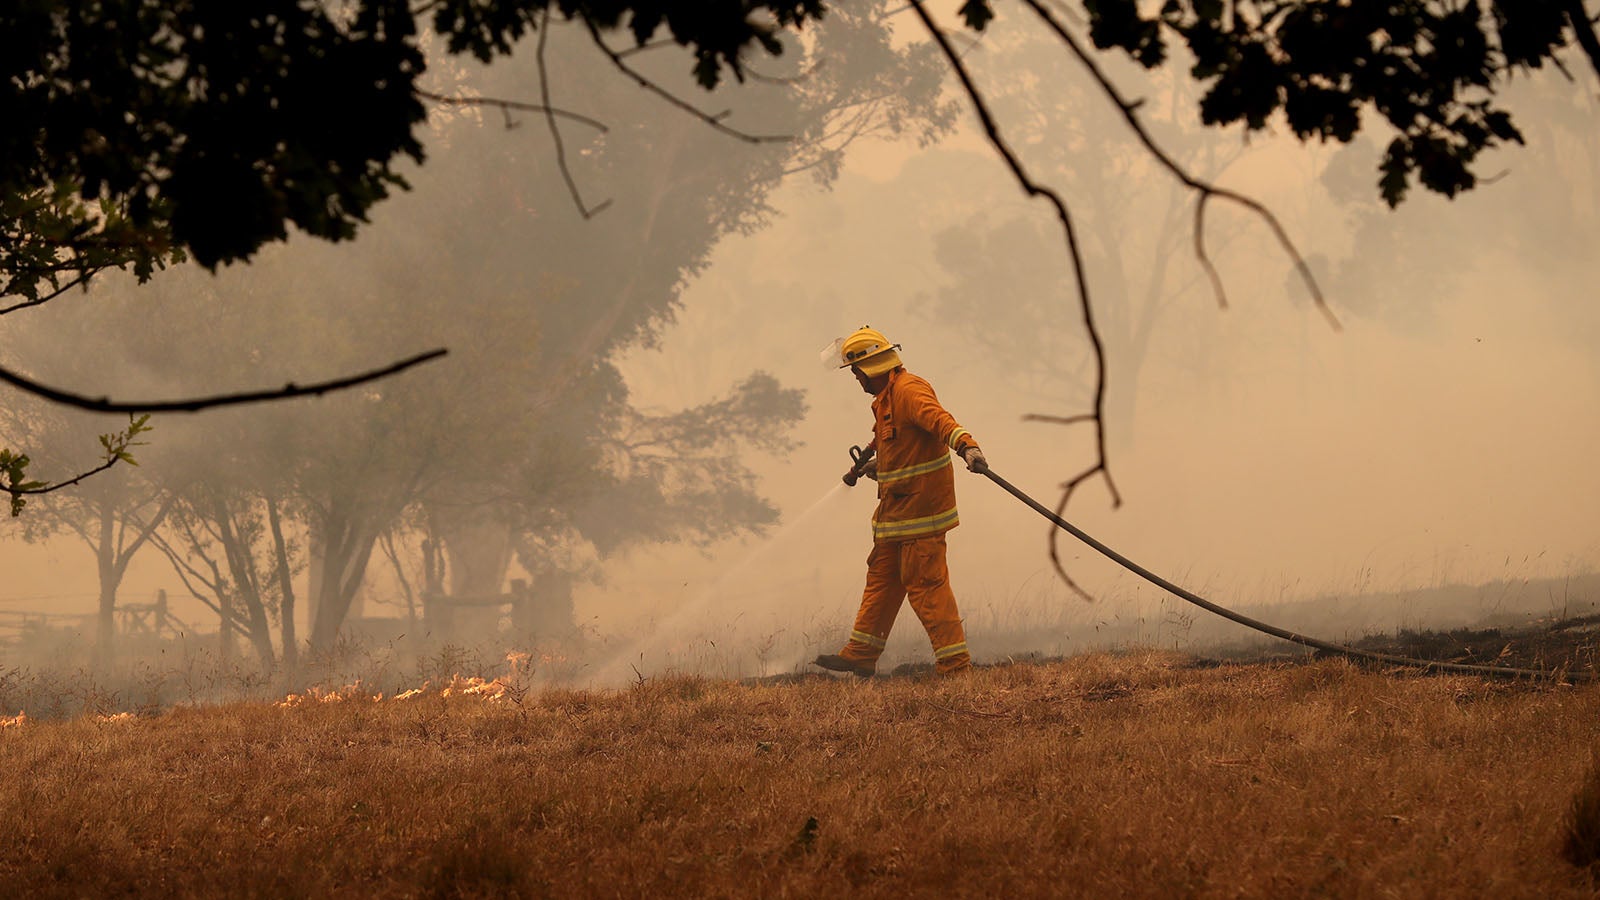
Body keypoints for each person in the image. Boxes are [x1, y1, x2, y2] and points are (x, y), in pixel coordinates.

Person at [815, 326, 987, 677]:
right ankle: (861, 653)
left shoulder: (909, 391)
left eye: (857, 372)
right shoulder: (887, 400)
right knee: (882, 578)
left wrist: (967, 447)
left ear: (872, 367)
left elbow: (941, 421)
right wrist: (882, 465)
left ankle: (955, 667)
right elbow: (901, 444)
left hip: (921, 514)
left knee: (926, 585)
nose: (857, 380)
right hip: (896, 513)